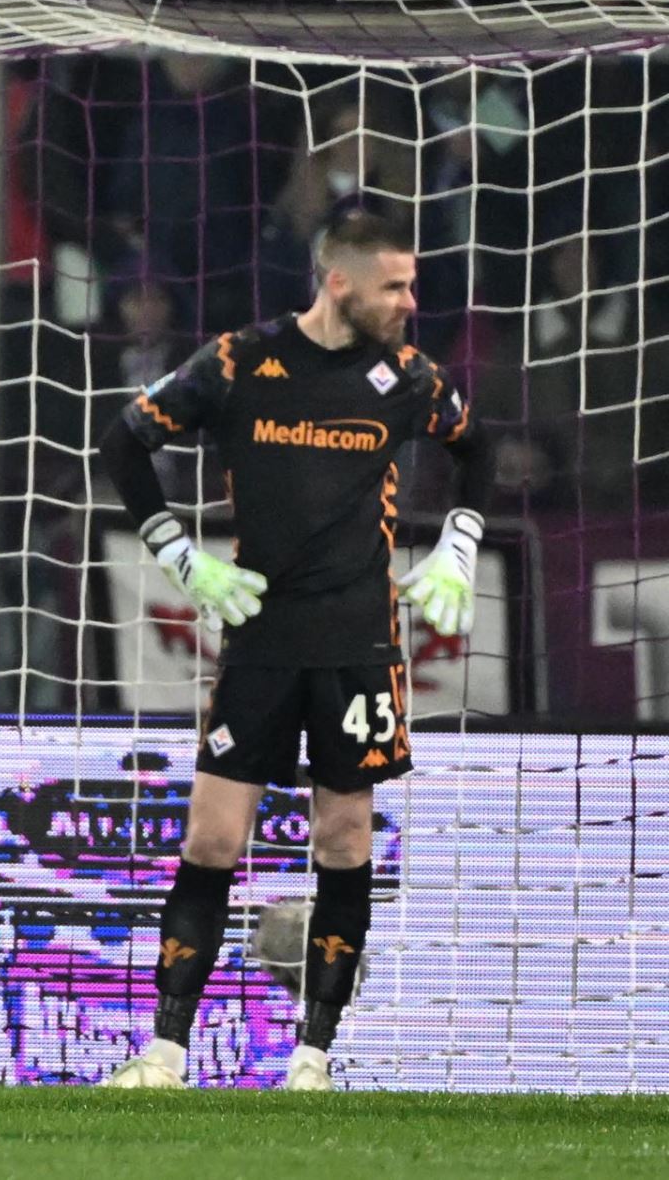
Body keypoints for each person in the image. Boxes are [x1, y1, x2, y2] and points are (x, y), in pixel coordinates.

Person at [96, 209, 491, 1091]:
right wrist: (176, 552)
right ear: (338, 281)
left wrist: (458, 541)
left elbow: (480, 453)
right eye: (395, 284)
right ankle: (164, 1049)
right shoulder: (243, 361)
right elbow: (125, 439)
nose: (410, 301)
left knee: (344, 842)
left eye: (412, 283)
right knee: (211, 837)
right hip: (261, 640)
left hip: (359, 642)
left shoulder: (410, 378)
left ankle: (312, 1055)